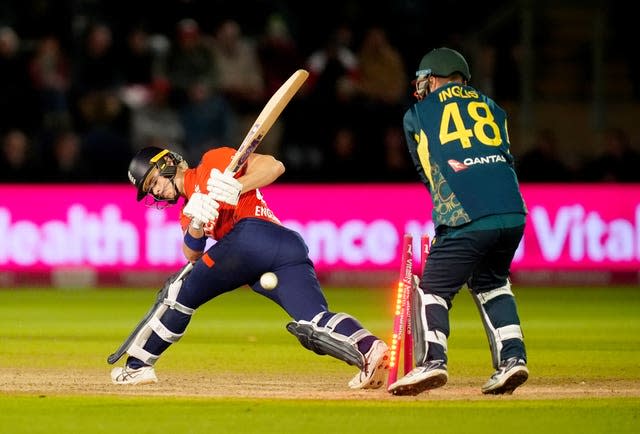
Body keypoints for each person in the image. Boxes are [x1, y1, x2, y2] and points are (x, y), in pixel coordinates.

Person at [110, 145, 390, 389]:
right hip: (283, 247)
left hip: (253, 236)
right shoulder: (187, 209)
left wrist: (237, 187)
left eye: (153, 181)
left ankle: (137, 367)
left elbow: (274, 166)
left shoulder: (212, 162)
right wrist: (196, 222)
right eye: (149, 190)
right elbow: (191, 252)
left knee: (179, 292)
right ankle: (369, 348)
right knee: (313, 323)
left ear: (167, 163)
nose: (156, 192)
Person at [387, 47, 529, 396]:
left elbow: (428, 173)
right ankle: (513, 359)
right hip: (513, 211)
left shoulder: (418, 113)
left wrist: (448, 221)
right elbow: (504, 157)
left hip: (466, 213)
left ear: (433, 78)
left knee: (432, 286)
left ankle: (432, 362)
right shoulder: (493, 107)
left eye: (424, 81)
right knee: (492, 283)